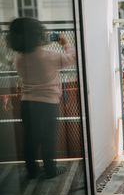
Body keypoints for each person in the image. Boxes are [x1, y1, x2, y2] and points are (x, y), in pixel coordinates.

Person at [6, 17, 76, 179]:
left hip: (27, 104)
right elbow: (71, 59)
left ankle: (32, 170)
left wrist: (39, 44)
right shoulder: (49, 56)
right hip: (47, 106)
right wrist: (65, 43)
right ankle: (50, 169)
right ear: (38, 35)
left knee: (30, 139)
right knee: (48, 139)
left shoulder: (18, 57)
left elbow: (32, 53)